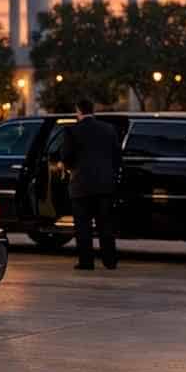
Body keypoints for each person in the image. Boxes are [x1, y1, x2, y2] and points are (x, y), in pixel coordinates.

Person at [58, 98, 121, 270]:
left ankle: (86, 262)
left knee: (83, 226)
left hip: (81, 185)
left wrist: (71, 169)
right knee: (105, 225)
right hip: (105, 185)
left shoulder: (71, 131)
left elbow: (66, 157)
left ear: (78, 110)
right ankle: (110, 261)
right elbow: (117, 156)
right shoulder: (108, 129)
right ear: (93, 110)